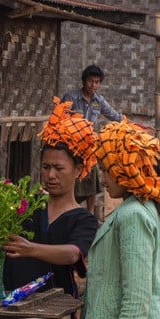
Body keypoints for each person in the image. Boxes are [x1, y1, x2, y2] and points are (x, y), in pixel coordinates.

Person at [79, 119, 160, 319]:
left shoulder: (133, 216)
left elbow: (138, 291)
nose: (104, 178)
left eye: (107, 170)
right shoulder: (138, 210)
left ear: (126, 169)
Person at [3, 97, 99, 319]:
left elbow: (71, 254)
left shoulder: (84, 220)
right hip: (12, 311)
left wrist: (30, 249)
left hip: (56, 317)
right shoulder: (27, 208)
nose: (51, 175)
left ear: (78, 171)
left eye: (59, 168)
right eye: (46, 167)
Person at [62, 64, 123, 215]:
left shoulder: (98, 101)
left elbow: (115, 116)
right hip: (71, 145)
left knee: (92, 180)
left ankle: (89, 214)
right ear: (84, 81)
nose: (93, 85)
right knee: (72, 179)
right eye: (90, 81)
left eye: (97, 82)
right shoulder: (71, 97)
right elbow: (60, 118)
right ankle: (69, 210)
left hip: (89, 147)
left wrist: (135, 125)